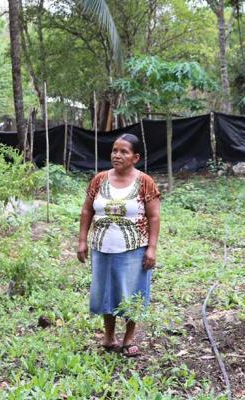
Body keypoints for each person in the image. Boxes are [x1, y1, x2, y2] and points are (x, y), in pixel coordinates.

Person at [77, 134, 161, 357]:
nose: (117, 155)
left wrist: (151, 248)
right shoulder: (99, 180)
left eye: (124, 151)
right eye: (115, 150)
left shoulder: (145, 182)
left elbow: (154, 217)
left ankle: (129, 337)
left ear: (135, 157)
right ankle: (108, 336)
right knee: (106, 292)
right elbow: (87, 210)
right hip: (102, 248)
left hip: (134, 249)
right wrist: (82, 241)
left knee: (132, 292)